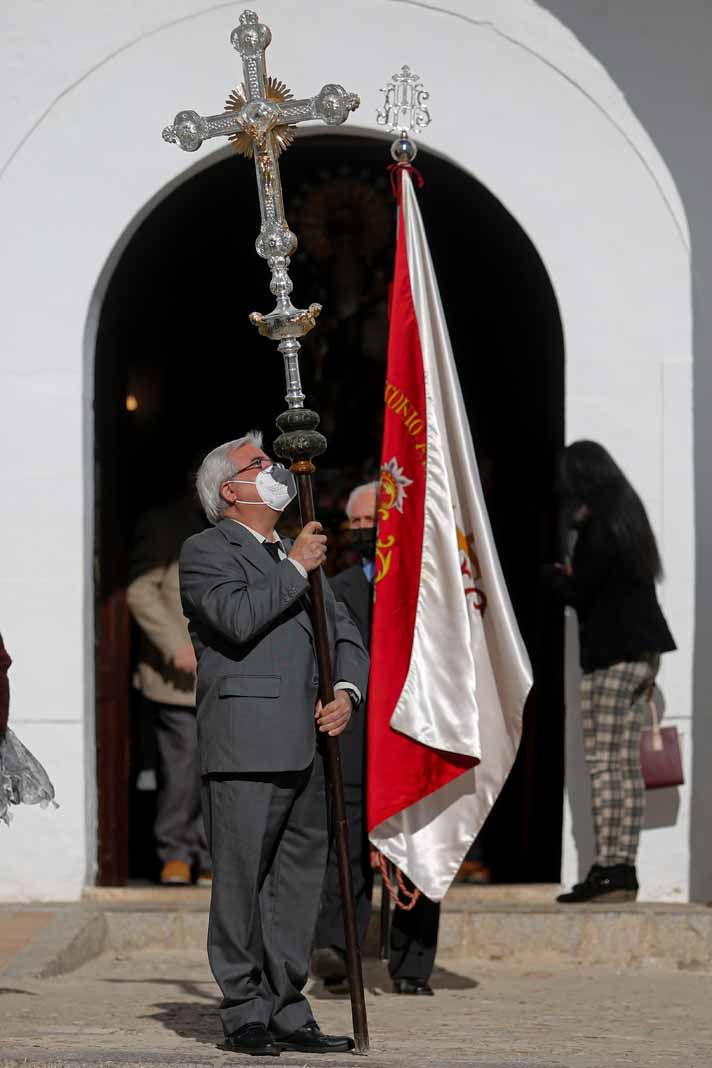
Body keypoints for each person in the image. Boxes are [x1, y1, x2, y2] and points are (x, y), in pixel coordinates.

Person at [179, 432, 369, 1057]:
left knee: (296, 883)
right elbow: (235, 618)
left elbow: (343, 633)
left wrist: (346, 690)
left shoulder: (295, 551)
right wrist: (295, 569)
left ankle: (288, 1004)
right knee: (241, 881)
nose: (274, 470)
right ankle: (243, 1008)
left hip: (311, 740)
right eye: (257, 465)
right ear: (230, 491)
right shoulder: (207, 550)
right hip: (246, 742)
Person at [312, 481, 441, 996]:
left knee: (418, 844)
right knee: (342, 845)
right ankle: (337, 951)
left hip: (413, 735)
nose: (365, 530)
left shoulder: (427, 587)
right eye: (357, 523)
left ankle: (412, 965)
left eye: (374, 521)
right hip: (354, 734)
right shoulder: (334, 587)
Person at [545, 441, 676, 903]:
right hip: (643, 652)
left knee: (604, 763)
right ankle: (623, 867)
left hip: (613, 655)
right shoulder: (627, 514)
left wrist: (555, 576)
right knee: (624, 764)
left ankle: (609, 868)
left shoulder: (599, 526)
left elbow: (581, 590)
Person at [127, 494, 210, 886]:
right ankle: (175, 853)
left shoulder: (234, 522)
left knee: (218, 770)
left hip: (225, 674)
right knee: (182, 767)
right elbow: (140, 591)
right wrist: (174, 644)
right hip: (178, 680)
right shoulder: (163, 523)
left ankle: (210, 854)